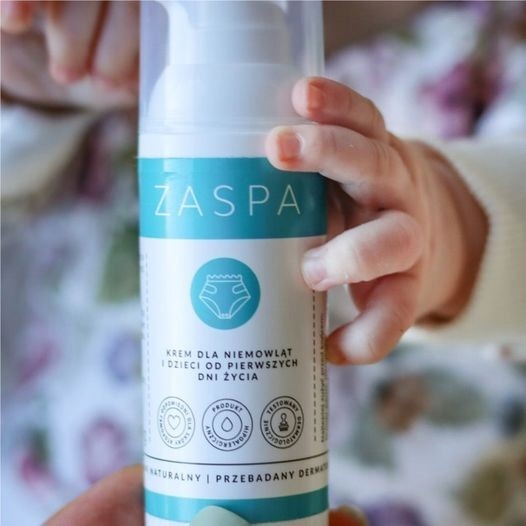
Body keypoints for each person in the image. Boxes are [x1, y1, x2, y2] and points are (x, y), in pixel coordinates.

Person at [2, 1, 525, 525]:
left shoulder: (490, 44)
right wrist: (28, 99)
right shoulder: (112, 65)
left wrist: (446, 224)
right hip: (46, 491)